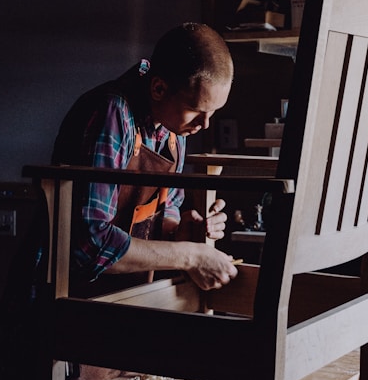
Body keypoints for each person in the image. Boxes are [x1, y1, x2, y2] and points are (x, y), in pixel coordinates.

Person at [51, 21, 239, 294]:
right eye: (196, 110)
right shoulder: (113, 114)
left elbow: (165, 213)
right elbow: (90, 245)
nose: (205, 124)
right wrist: (191, 256)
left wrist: (180, 232)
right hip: (71, 297)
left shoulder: (175, 129)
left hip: (128, 295)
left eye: (214, 112)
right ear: (159, 89)